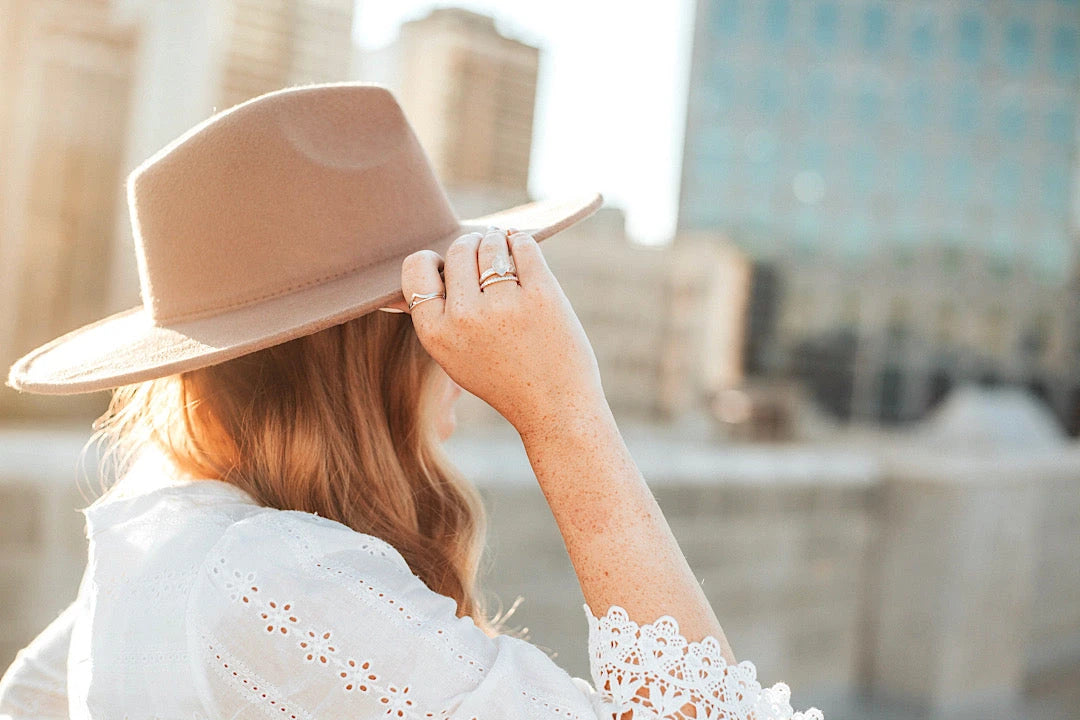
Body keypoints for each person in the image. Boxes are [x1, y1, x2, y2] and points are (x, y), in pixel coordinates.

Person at [0, 83, 822, 720]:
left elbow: (27, 698)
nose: (458, 371)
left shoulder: (152, 536)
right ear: (388, 342)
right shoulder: (268, 577)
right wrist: (566, 414)